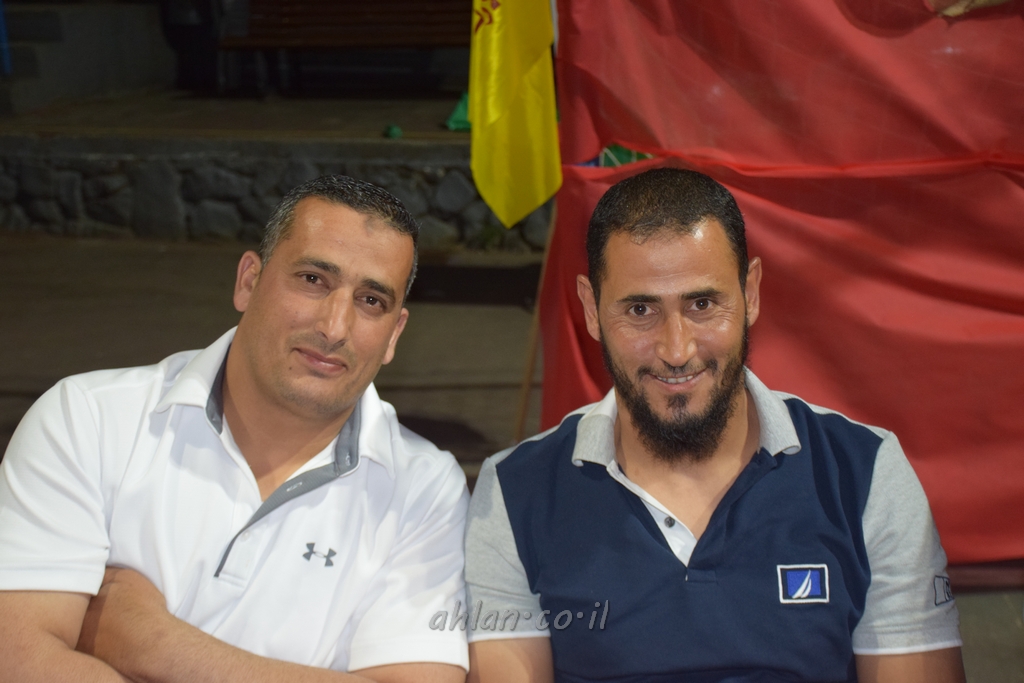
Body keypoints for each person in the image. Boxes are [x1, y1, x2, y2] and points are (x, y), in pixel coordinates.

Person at [464, 168, 964, 683]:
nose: (676, 349)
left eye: (702, 304)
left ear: (751, 292)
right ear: (592, 309)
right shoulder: (513, 494)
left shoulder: (865, 473)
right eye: (641, 309)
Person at [0, 175, 469, 683]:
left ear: (395, 333)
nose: (335, 327)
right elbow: (17, 660)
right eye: (313, 279)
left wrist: (155, 644)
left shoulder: (423, 490)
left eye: (371, 301)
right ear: (248, 281)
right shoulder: (89, 420)